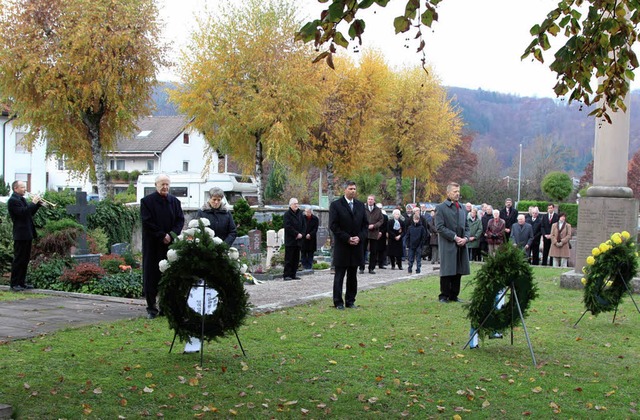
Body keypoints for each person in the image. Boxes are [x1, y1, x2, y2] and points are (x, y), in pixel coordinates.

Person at [141, 174, 185, 319]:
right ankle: (151, 308)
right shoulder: (147, 202)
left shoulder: (175, 202)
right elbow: (147, 222)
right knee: (151, 276)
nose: (165, 187)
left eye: (167, 184)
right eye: (162, 184)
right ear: (156, 185)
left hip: (170, 246)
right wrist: (161, 235)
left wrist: (171, 235)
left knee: (168, 276)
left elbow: (180, 220)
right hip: (153, 245)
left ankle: (166, 307)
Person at [329, 181, 368, 309]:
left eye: (354, 189)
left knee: (353, 276)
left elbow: (365, 225)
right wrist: (347, 238)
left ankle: (350, 301)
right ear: (344, 190)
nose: (353, 191)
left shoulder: (360, 205)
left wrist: (359, 237)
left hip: (356, 246)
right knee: (339, 275)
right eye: (350, 188)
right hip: (343, 246)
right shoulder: (336, 205)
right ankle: (338, 302)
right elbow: (333, 225)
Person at [435, 182, 470, 303]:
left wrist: (465, 238)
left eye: (458, 191)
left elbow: (467, 226)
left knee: (458, 270)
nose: (457, 194)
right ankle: (444, 295)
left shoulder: (462, 207)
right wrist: (455, 237)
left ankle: (454, 295)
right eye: (455, 191)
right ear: (448, 192)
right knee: (447, 270)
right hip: (448, 244)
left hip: (461, 244)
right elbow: (439, 227)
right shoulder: (441, 208)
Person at [7, 180, 43, 291]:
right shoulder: (13, 201)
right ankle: (14, 284)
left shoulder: (21, 199)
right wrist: (33, 203)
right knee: (18, 259)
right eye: (22, 187)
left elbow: (29, 213)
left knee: (25, 259)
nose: (25, 189)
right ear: (15, 188)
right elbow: (23, 213)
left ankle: (21, 283)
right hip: (20, 233)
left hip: (27, 233)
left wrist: (37, 205)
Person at [360, 195, 384, 274]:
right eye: (369, 199)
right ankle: (361, 268)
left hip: (374, 233)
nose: (370, 201)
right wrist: (366, 226)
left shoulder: (377, 210)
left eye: (371, 199)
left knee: (373, 251)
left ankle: (371, 268)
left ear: (374, 201)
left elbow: (381, 220)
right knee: (362, 250)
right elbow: (359, 218)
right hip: (364, 232)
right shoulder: (363, 208)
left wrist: (374, 226)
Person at [283, 197, 305, 280]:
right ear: (291, 205)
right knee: (289, 258)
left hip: (299, 240)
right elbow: (288, 226)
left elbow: (304, 225)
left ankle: (293, 274)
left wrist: (302, 234)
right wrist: (296, 234)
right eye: (295, 204)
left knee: (296, 258)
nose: (296, 205)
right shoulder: (287, 215)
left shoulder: (300, 214)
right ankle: (287, 275)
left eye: (297, 203)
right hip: (291, 240)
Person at [300, 206, 319, 270]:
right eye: (305, 211)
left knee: (310, 253)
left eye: (307, 211)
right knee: (303, 253)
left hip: (311, 239)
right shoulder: (302, 218)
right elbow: (301, 227)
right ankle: (304, 266)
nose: (306, 213)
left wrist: (310, 234)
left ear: (311, 212)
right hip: (303, 238)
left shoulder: (315, 219)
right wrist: (305, 234)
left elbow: (315, 229)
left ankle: (309, 266)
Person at [375, 203, 388, 269]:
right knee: (374, 250)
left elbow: (386, 226)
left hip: (382, 235)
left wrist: (381, 232)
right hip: (374, 234)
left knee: (382, 250)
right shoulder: (373, 216)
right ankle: (373, 264)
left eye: (380, 208)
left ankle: (381, 264)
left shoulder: (385, 217)